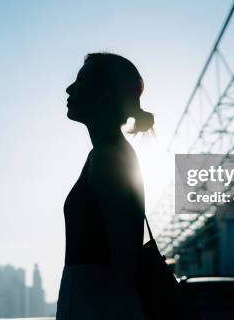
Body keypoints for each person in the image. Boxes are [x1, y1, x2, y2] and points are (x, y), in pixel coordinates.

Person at [56, 52, 155, 320]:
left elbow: (124, 261)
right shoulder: (108, 153)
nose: (69, 88)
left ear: (104, 94)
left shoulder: (108, 157)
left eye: (81, 80)